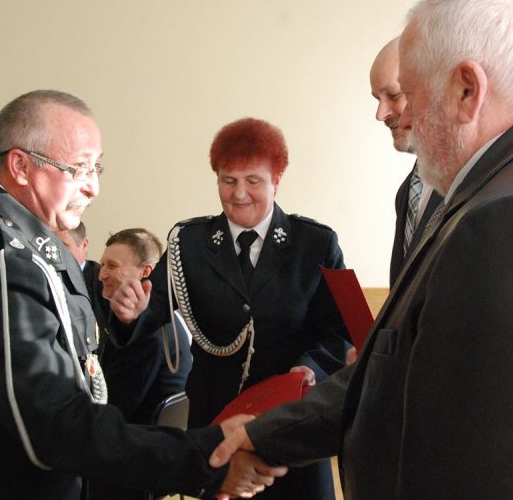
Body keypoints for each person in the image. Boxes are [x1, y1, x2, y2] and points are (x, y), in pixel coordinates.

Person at [211, 0, 513, 499]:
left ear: (466, 90)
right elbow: (405, 364)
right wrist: (267, 435)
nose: (394, 114)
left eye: (408, 93)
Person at [0, 90, 284, 500]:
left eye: (97, 168)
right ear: (21, 166)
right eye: (79, 168)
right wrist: (205, 459)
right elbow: (54, 423)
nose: (93, 187)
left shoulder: (27, 244)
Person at [109, 116, 352, 500]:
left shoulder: (317, 243)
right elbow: (152, 308)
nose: (239, 194)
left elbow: (341, 329)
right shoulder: (188, 242)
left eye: (253, 181)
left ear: (276, 180)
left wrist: (312, 367)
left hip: (292, 425)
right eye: (228, 180)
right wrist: (129, 313)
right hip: (216, 427)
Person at [59, 224, 192, 424]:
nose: (101, 275)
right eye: (103, 265)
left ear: (145, 272)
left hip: (141, 434)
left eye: (112, 266)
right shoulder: (143, 321)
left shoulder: (146, 330)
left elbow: (113, 405)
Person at [370, 37, 443, 284]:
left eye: (393, 95)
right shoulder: (407, 190)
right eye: (377, 99)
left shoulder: (472, 184)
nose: (380, 114)